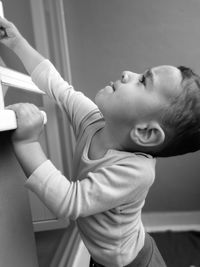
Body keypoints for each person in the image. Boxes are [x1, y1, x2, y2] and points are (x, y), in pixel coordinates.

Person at [1, 16, 200, 267]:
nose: (128, 73)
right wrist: (17, 43)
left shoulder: (135, 172)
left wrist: (28, 143)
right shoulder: (93, 120)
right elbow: (59, 88)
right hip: (103, 257)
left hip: (133, 263)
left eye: (143, 81)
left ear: (146, 133)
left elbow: (68, 202)